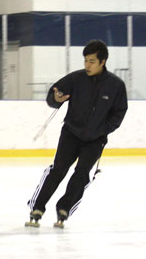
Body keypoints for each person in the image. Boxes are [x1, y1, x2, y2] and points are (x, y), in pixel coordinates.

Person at [26, 40, 128, 228]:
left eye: (91, 61)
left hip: (96, 139)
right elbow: (54, 94)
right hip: (71, 134)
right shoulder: (76, 79)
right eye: (85, 61)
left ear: (102, 62)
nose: (87, 65)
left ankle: (64, 209)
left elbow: (119, 112)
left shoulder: (116, 85)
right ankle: (37, 207)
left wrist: (104, 129)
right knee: (58, 170)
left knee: (81, 174)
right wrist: (56, 99)